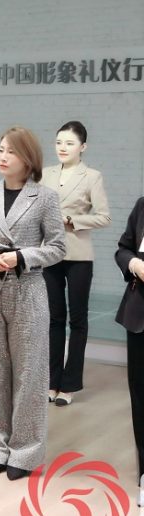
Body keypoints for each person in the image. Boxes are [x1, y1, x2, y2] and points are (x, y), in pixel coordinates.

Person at [0, 126, 65, 480]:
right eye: (0, 149)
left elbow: (57, 247)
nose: (3, 157)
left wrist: (21, 256)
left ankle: (25, 452)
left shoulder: (45, 198)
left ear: (28, 159)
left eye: (11, 152)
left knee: (30, 375)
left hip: (28, 292)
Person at [42, 121, 111, 406]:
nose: (62, 147)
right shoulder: (45, 174)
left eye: (69, 143)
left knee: (77, 320)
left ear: (83, 147)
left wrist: (71, 220)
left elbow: (104, 216)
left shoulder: (92, 176)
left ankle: (69, 385)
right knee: (54, 319)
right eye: (59, 142)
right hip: (49, 253)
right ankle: (51, 381)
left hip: (79, 255)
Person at [114, 198, 144, 500]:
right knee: (140, 397)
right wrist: (134, 264)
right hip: (139, 316)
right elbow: (123, 248)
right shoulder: (142, 205)